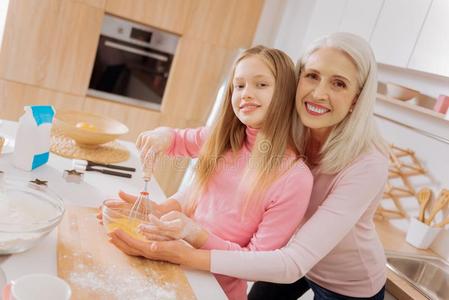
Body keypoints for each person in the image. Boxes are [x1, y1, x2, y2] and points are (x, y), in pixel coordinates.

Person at [108, 32, 389, 299]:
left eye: (339, 83)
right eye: (312, 76)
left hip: (342, 280)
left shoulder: (367, 165)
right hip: (287, 253)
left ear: (356, 99)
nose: (318, 93)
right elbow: (212, 166)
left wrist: (188, 246)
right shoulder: (288, 129)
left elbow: (290, 263)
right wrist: (166, 142)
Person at [107, 45, 313, 300]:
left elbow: (256, 262)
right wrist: (161, 137)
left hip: (213, 291)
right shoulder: (223, 141)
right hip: (171, 264)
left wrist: (195, 234)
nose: (246, 94)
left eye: (261, 85)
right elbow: (178, 140)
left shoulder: (295, 178)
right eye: (239, 86)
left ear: (285, 94)